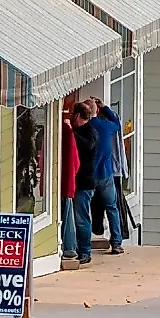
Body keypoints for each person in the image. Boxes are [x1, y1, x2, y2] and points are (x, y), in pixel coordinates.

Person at [87, 99, 126, 253]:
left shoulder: (84, 127)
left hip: (88, 176)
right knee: (112, 208)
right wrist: (105, 108)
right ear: (96, 111)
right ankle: (116, 242)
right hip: (105, 174)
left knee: (83, 209)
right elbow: (117, 123)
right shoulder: (105, 126)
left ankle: (83, 244)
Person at [63, 101, 94, 266]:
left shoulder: (90, 131)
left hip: (85, 183)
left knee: (81, 218)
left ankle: (85, 251)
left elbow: (88, 146)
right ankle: (76, 247)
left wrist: (71, 131)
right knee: (76, 217)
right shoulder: (84, 130)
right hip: (78, 182)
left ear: (77, 116)